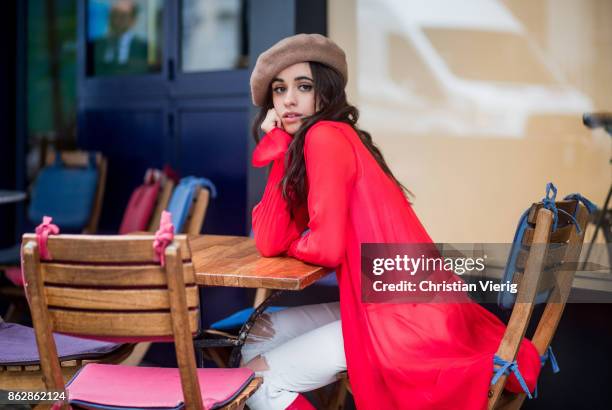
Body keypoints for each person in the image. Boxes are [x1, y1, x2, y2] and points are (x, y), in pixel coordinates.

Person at [243, 33, 541, 410]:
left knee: (255, 381)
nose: (288, 100)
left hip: (403, 321)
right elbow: (269, 241)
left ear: (326, 91)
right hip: (404, 308)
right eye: (279, 89)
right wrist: (279, 153)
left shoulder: (324, 138)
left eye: (304, 86)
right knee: (255, 337)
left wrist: (294, 243)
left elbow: (325, 247)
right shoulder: (323, 141)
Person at [93, 0, 149, 76]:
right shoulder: (96, 45)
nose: (117, 20)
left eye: (123, 16)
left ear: (133, 20)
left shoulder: (143, 48)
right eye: (114, 15)